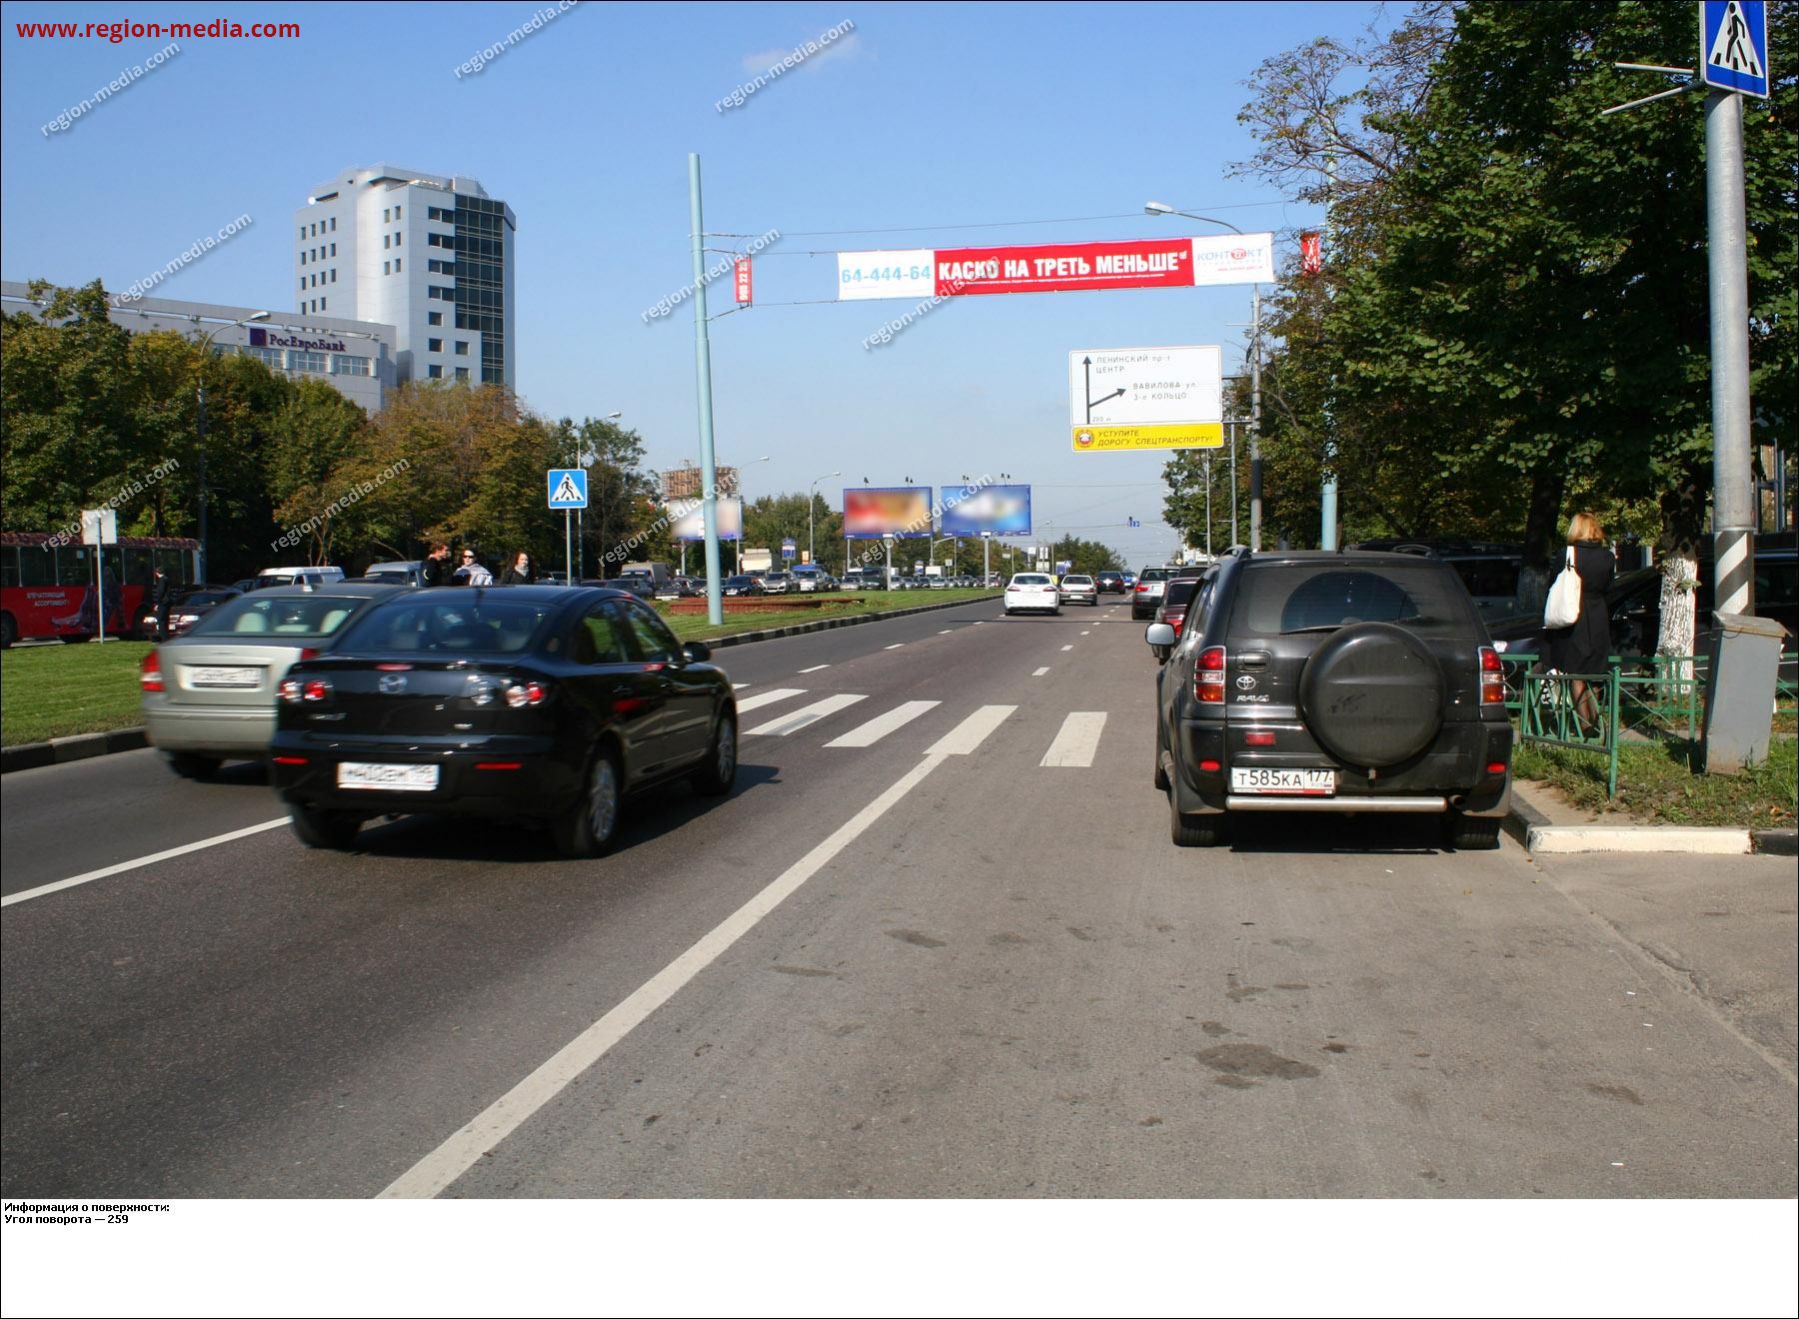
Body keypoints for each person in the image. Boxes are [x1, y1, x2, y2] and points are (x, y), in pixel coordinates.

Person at [1547, 511, 1616, 731]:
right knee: (1594, 672)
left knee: (1575, 672)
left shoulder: (1567, 554)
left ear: (1575, 529)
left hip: (1573, 615)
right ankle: (1595, 723)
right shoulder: (1607, 557)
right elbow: (1608, 586)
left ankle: (1584, 725)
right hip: (1598, 616)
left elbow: (1552, 583)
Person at [150, 567, 178, 640]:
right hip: (167, 603)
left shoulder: (162, 580)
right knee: (165, 620)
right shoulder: (167, 579)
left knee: (161, 621)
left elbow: (161, 592)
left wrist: (157, 603)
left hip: (162, 603)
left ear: (157, 573)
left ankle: (164, 637)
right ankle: (166, 637)